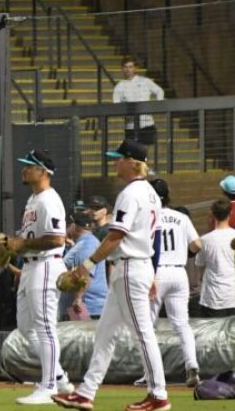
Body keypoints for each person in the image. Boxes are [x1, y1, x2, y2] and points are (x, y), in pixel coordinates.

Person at [53, 139, 170, 411]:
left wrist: (88, 264)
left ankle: (159, 395)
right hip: (135, 267)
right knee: (105, 334)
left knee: (143, 335)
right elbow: (154, 238)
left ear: (132, 162)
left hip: (130, 267)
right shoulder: (152, 192)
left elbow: (117, 236)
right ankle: (86, 393)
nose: (115, 162)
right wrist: (151, 272)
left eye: (119, 158)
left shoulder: (131, 193)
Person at [0, 149, 73, 404]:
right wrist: (10, 244)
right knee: (26, 327)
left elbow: (56, 239)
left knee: (44, 327)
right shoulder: (33, 200)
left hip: (46, 266)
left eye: (29, 165)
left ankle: (49, 385)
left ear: (43, 171)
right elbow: (29, 239)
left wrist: (18, 244)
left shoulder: (48, 199)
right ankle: (60, 377)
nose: (24, 169)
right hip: (31, 267)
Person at [131, 178, 202, 388]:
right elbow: (197, 245)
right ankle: (192, 365)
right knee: (182, 324)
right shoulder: (181, 216)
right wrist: (183, 251)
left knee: (147, 326)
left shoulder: (148, 216)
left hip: (156, 272)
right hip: (179, 274)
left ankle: (150, 373)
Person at [59, 214, 106, 321]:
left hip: (86, 307)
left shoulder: (87, 244)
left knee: (83, 338)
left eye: (68, 225)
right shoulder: (84, 242)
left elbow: (86, 271)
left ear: (74, 226)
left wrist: (78, 298)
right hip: (83, 306)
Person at [112, 56, 164, 149]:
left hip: (147, 124)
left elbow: (159, 91)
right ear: (122, 69)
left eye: (131, 67)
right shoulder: (119, 87)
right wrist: (125, 114)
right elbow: (117, 106)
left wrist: (157, 107)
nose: (128, 69)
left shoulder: (145, 81)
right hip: (130, 127)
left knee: (148, 152)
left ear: (135, 68)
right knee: (133, 155)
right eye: (126, 67)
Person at [195, 198, 235, 317]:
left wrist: (202, 277)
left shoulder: (205, 239)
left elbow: (200, 265)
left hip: (212, 297)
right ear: (230, 213)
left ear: (212, 215)